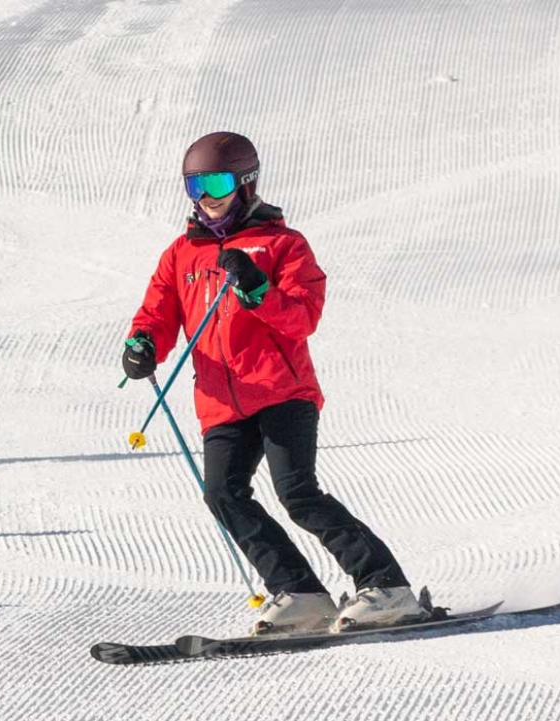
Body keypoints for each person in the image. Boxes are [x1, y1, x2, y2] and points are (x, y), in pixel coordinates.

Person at [122, 131, 425, 635]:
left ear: (245, 182)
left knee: (298, 493)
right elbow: (158, 312)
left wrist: (256, 287)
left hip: (282, 392)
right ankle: (301, 593)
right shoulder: (181, 255)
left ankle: (387, 587)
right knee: (222, 494)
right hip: (221, 401)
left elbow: (303, 317)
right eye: (194, 185)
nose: (206, 197)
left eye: (216, 182)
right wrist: (143, 344)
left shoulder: (284, 244)